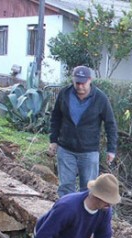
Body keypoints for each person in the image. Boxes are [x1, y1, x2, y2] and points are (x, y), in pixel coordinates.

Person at [49, 65, 118, 197]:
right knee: (65, 188)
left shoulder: (100, 98)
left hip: (89, 151)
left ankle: (85, 217)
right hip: (66, 149)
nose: (80, 87)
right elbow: (56, 117)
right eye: (77, 83)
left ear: (90, 80)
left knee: (88, 190)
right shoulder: (65, 94)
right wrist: (53, 140)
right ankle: (66, 216)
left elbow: (110, 124)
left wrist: (111, 149)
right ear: (73, 80)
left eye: (83, 83)